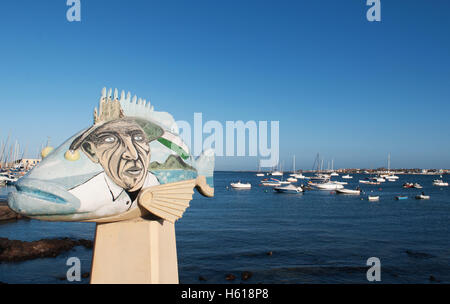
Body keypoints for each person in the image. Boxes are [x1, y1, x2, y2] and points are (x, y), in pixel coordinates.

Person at [66, 117, 164, 218]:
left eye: (139, 138)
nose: (133, 154)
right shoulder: (78, 197)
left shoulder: (160, 187)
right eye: (110, 139)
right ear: (91, 151)